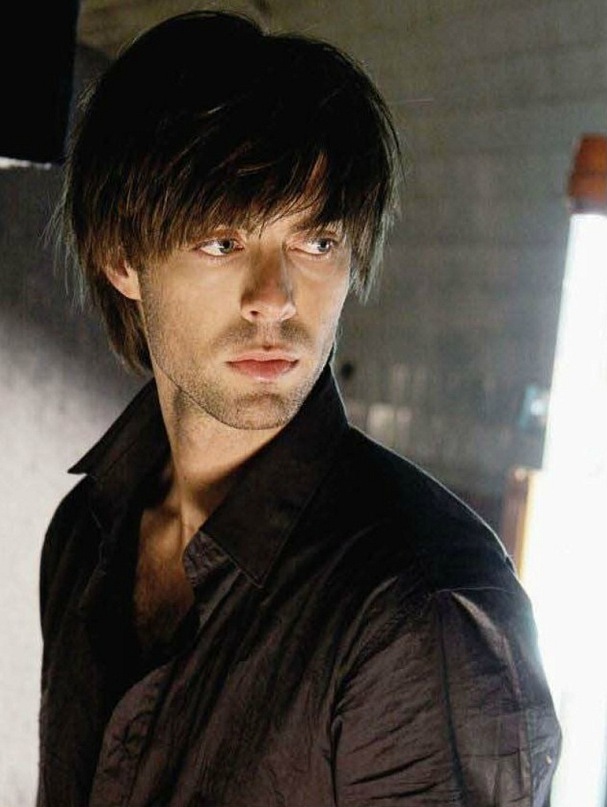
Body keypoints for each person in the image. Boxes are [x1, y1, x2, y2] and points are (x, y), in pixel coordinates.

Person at [37, 9, 562, 807]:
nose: (275, 299)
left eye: (315, 242)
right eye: (222, 241)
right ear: (122, 259)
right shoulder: (83, 534)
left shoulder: (421, 607)